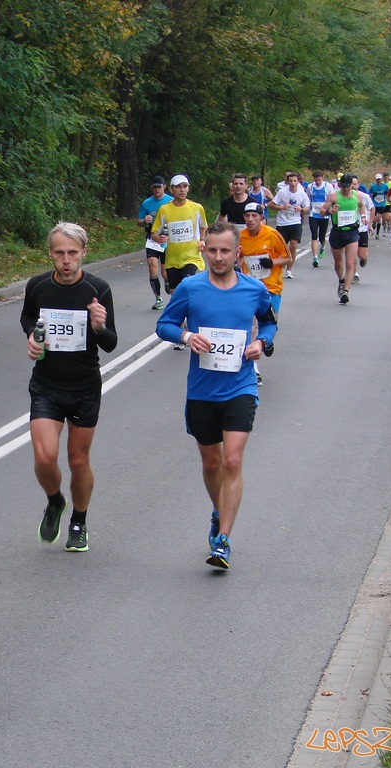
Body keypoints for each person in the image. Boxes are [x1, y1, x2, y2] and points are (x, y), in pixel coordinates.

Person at [155, 221, 277, 570]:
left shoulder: (254, 290)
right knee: (211, 463)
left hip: (240, 386)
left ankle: (223, 540)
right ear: (203, 250)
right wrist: (186, 337)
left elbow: (269, 323)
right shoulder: (191, 289)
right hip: (202, 391)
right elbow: (164, 324)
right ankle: (218, 510)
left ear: (237, 253)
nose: (219, 257)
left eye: (225, 251)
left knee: (232, 461)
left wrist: (261, 343)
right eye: (212, 250)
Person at [22, 222, 118, 553]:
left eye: (72, 253)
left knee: (78, 461)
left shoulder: (98, 289)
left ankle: (79, 519)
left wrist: (100, 326)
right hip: (47, 384)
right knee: (44, 456)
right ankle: (54, 501)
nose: (66, 260)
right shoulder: (37, 286)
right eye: (59, 253)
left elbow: (110, 343)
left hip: (84, 387)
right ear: (50, 253)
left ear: (84, 253)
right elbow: (28, 320)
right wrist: (32, 340)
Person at [150, 175, 209, 349]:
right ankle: (183, 331)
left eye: (185, 186)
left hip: (192, 256)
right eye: (178, 187)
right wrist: (158, 238)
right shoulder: (165, 210)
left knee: (188, 287)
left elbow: (203, 225)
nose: (182, 190)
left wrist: (202, 240)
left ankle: (188, 329)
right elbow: (154, 231)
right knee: (177, 295)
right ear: (171, 189)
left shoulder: (196, 207)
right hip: (172, 259)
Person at [238, 202, 288, 384]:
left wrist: (272, 263)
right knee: (250, 327)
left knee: (269, 325)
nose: (250, 219)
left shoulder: (273, 235)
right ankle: (254, 369)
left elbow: (288, 258)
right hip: (249, 289)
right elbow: (238, 256)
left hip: (271, 288)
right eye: (247, 216)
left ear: (261, 217)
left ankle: (267, 340)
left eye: (254, 216)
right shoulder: (240, 237)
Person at [320, 174, 367, 304]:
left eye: (348, 186)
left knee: (350, 263)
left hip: (352, 232)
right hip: (337, 232)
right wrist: (330, 211)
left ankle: (345, 291)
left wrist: (363, 216)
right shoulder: (334, 196)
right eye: (343, 186)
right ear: (340, 185)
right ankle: (341, 280)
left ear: (351, 185)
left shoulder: (357, 196)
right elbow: (322, 211)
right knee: (338, 263)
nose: (345, 189)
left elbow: (362, 205)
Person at [137, 175, 174, 310]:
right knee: (152, 267)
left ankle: (168, 282)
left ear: (164, 187)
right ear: (151, 188)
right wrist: (144, 220)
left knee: (165, 273)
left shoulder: (171, 201)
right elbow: (139, 222)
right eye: (155, 187)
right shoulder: (147, 203)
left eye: (159, 187)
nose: (157, 190)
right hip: (152, 240)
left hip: (167, 239)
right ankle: (158, 298)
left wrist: (170, 236)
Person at [270, 171, 310, 279]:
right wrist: (282, 207)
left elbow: (307, 207)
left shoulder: (302, 193)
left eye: (295, 181)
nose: (292, 183)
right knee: (281, 247)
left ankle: (289, 269)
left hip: (295, 222)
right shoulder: (282, 192)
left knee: (293, 245)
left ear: (298, 182)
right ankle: (280, 265)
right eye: (290, 181)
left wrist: (301, 209)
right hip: (282, 223)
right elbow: (272, 205)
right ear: (287, 182)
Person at [306, 170, 334, 267]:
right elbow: (308, 198)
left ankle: (323, 245)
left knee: (322, 237)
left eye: (319, 180)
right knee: (314, 236)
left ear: (322, 177)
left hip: (324, 215)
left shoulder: (328, 187)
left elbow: (333, 199)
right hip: (313, 214)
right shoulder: (310, 187)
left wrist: (329, 209)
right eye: (316, 180)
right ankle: (315, 258)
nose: (317, 182)